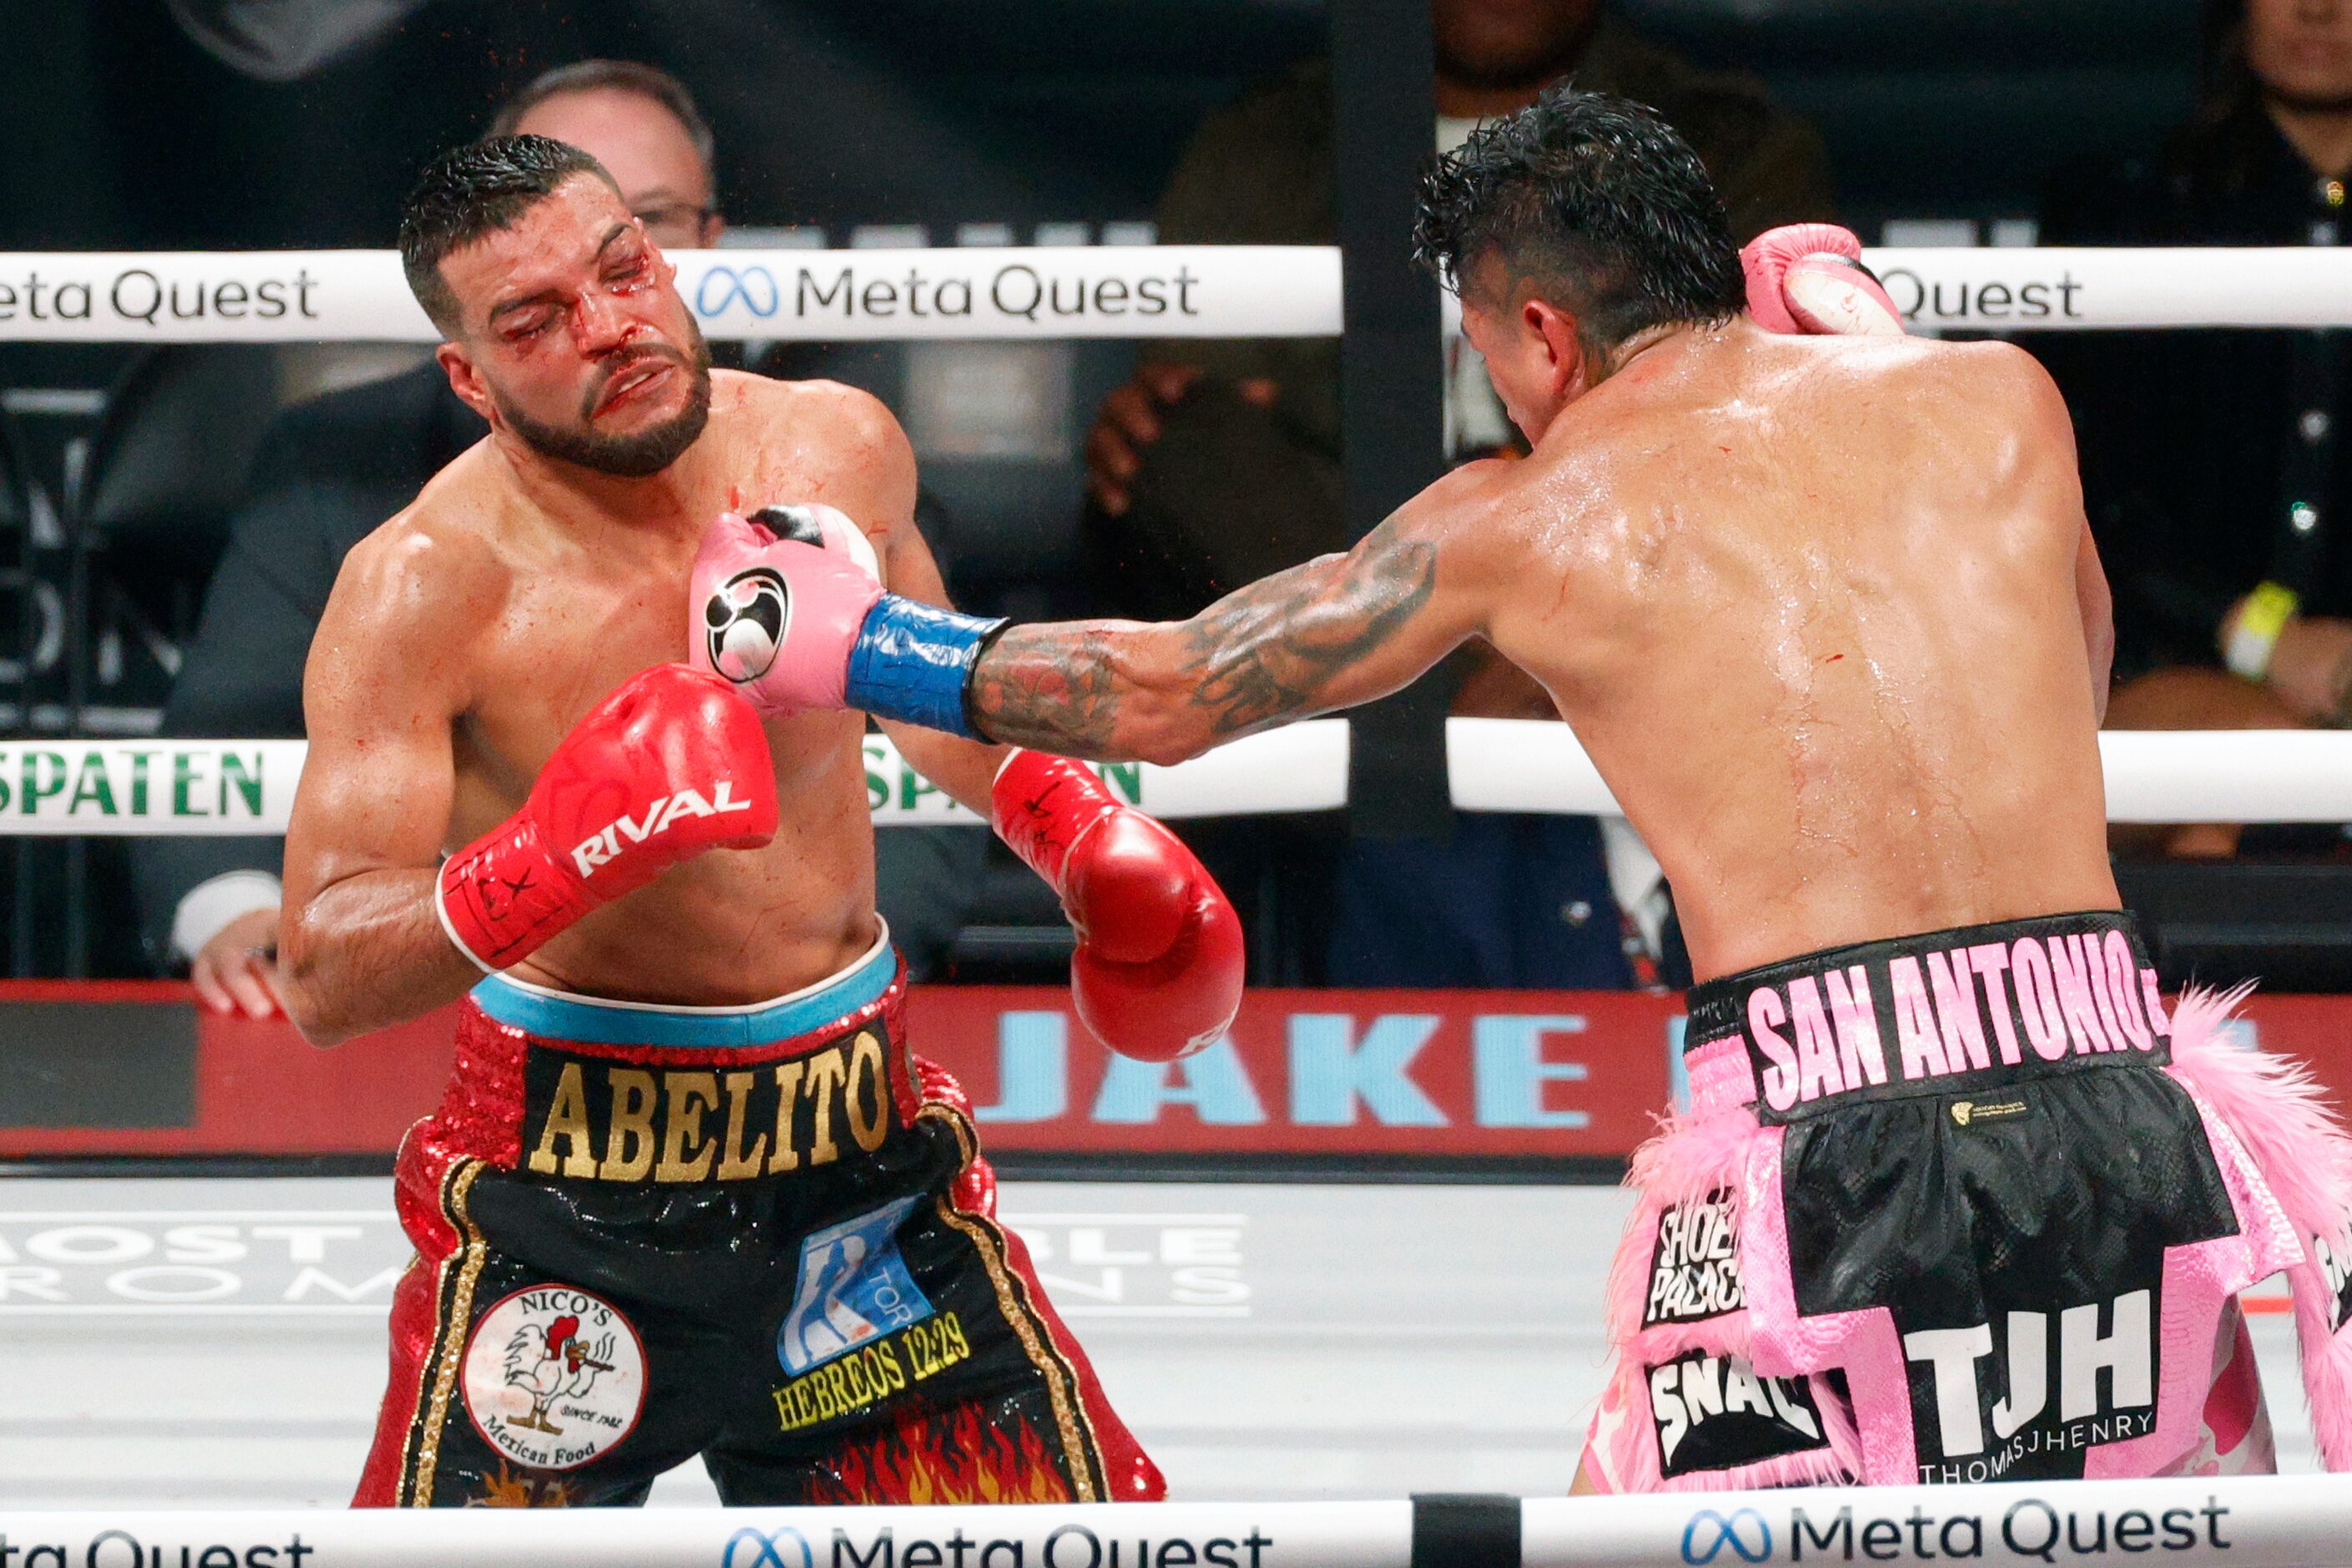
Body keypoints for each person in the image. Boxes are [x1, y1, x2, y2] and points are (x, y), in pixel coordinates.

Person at [719, 89, 2352, 1488]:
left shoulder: (1527, 516)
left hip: (1820, 1142)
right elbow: (2064, 681)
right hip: (2126, 1112)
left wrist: (862, 646)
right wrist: (1876, 336)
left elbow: (1171, 693)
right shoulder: (1997, 398)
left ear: (1541, 333)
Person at [279, 134, 1242, 1506]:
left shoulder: (832, 445)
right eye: (536, 321)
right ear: (468, 379)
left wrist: (1075, 825)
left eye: (623, 270)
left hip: (858, 1153)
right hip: (564, 1186)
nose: (611, 326)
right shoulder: (424, 587)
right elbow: (320, 967)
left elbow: (922, 686)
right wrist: (551, 856)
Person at [136, 59, 989, 1014]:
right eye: (532, 302)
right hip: (491, 1043)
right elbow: (226, 752)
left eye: (633, 241)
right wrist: (242, 911)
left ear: (693, 248)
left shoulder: (831, 447)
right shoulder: (357, 487)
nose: (600, 321)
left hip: (826, 1040)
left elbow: (945, 733)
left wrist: (822, 962)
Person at [1082, 0, 1834, 989]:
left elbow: (1748, 412)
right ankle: (1420, 724)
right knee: (1177, 450)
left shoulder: (1721, 134)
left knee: (1737, 460)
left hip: (1623, 586)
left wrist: (1521, 608)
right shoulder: (1271, 133)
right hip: (1357, 625)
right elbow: (1202, 409)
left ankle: (1442, 713)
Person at [2041, 0, 2352, 857]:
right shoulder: (2129, 203)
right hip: (2156, 673)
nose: (2319, 9)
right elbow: (2074, 492)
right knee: (2256, 792)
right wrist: (2255, 632)